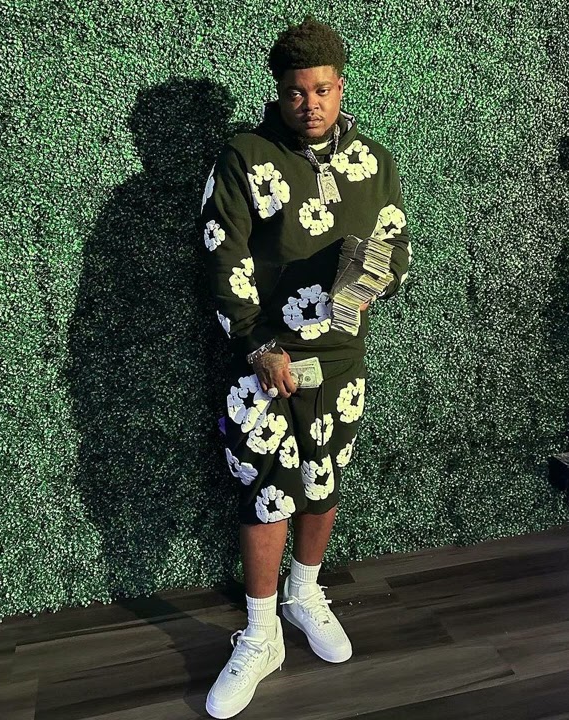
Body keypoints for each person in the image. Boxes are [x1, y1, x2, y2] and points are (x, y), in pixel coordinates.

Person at [197, 15, 412, 719]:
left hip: (340, 354)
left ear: (340, 87)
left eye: (321, 90)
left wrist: (367, 284)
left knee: (324, 477)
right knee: (264, 488)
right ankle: (260, 634)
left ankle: (305, 593)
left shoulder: (374, 161)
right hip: (264, 356)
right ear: (279, 91)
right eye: (296, 92)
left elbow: (395, 246)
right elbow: (221, 254)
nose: (309, 104)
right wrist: (258, 345)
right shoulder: (244, 155)